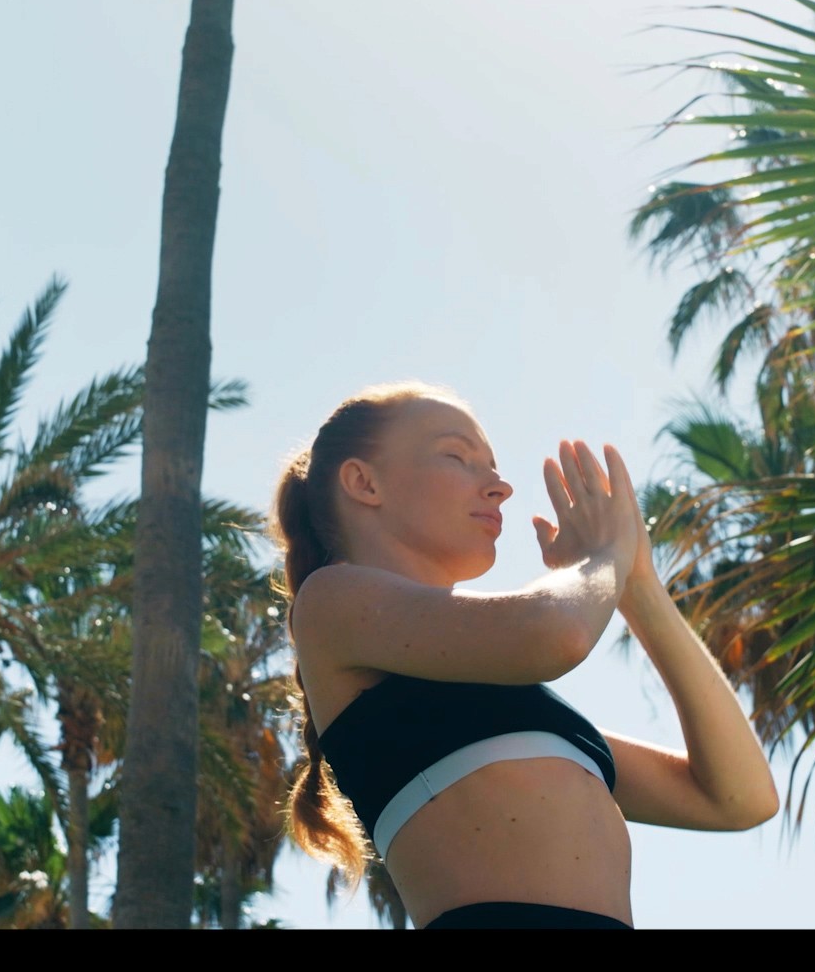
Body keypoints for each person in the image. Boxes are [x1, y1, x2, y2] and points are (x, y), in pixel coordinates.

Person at [272, 381, 780, 929]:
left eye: (492, 465)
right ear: (363, 482)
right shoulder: (329, 600)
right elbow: (557, 634)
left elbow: (739, 797)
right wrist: (604, 557)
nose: (500, 486)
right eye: (458, 456)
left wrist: (640, 587)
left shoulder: (525, 716)